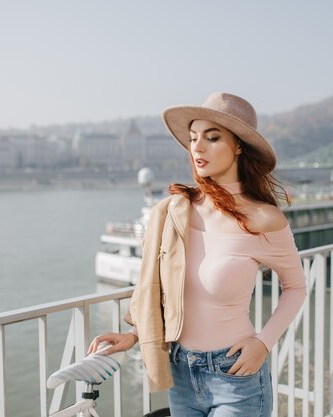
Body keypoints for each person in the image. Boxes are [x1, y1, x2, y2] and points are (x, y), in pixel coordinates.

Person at [88, 92, 307, 416]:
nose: (198, 147)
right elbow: (165, 293)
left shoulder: (263, 218)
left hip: (236, 376)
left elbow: (296, 287)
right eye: (193, 138)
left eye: (212, 137)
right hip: (182, 372)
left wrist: (263, 343)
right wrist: (133, 335)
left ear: (238, 146)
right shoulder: (175, 211)